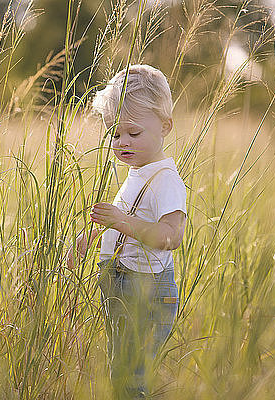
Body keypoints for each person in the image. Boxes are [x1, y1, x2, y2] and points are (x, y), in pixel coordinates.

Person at [67, 64, 187, 398]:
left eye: (133, 133)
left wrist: (122, 223)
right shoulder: (138, 171)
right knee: (121, 366)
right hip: (122, 282)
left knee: (132, 375)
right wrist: (87, 240)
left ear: (165, 127)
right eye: (115, 134)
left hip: (145, 290)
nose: (122, 143)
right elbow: (120, 218)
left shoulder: (165, 180)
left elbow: (170, 236)